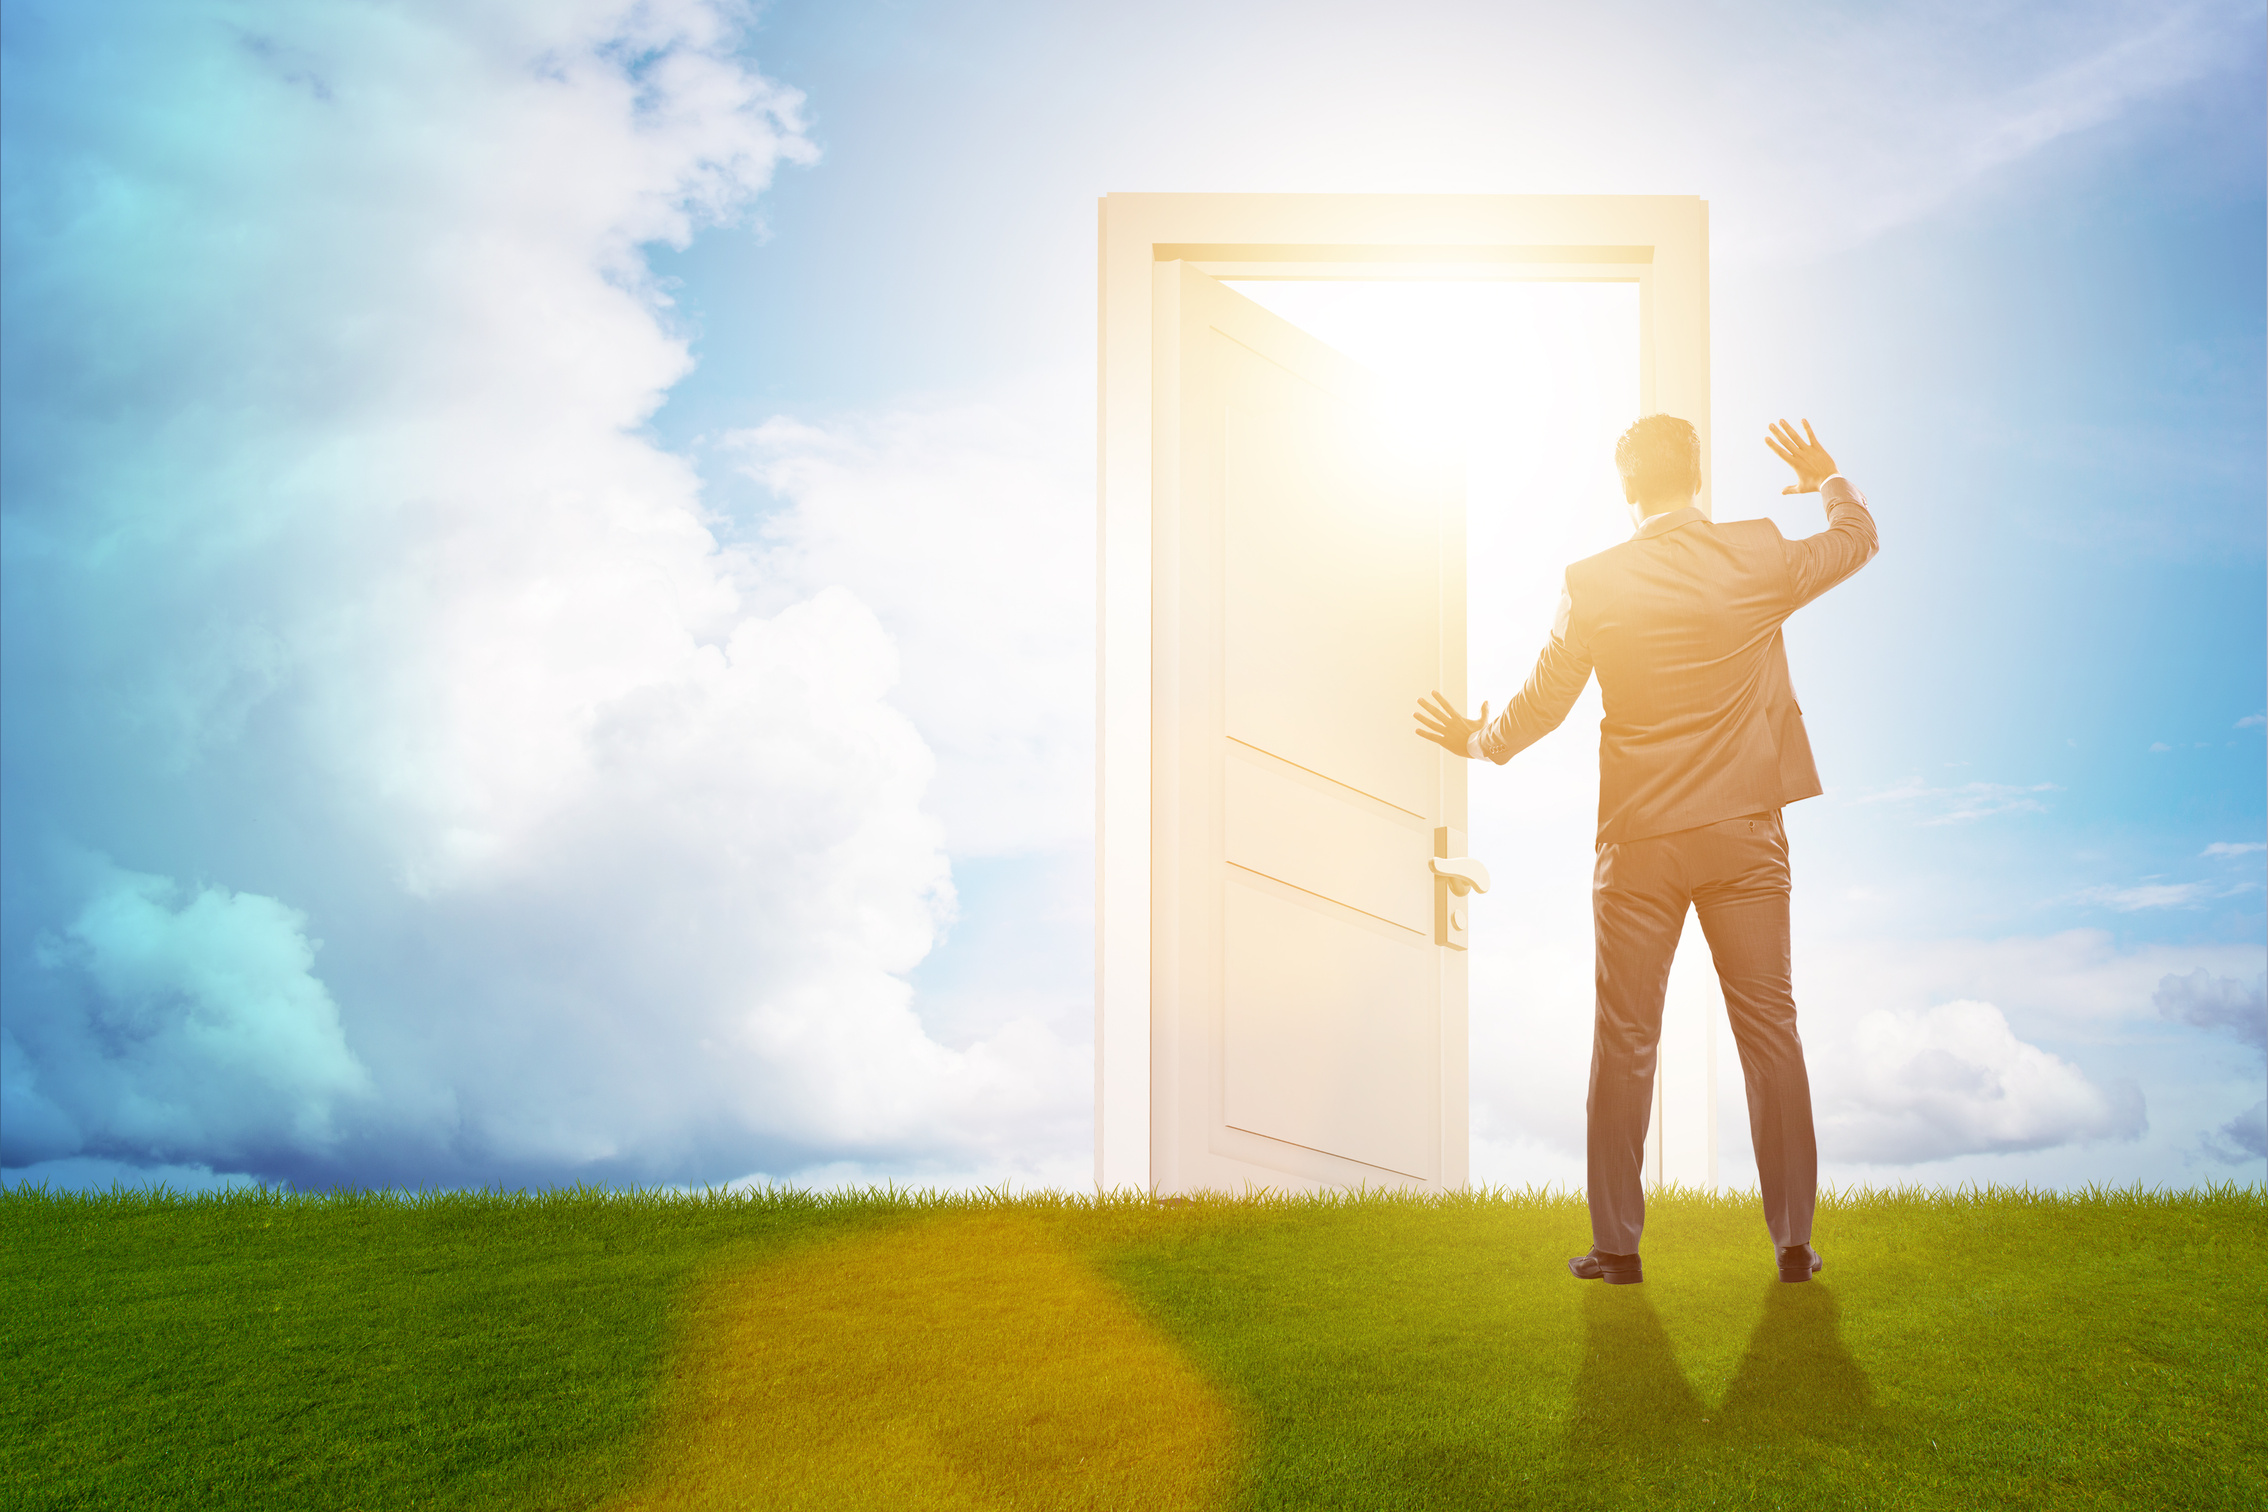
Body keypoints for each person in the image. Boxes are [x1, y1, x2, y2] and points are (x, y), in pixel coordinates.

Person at [1413, 415, 1877, 1286]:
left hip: (1638, 847)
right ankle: (1793, 1247)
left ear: (1626, 489)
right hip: (1745, 838)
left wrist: (1477, 742)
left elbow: (1543, 706)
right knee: (1771, 1031)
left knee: (1625, 1038)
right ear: (1697, 475)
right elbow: (1856, 539)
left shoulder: (1590, 584)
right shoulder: (1758, 554)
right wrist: (1827, 476)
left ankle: (1617, 1249)